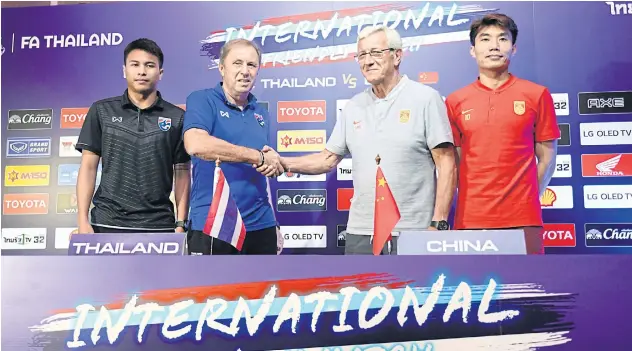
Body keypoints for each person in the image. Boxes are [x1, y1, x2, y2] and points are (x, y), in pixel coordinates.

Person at [257, 25, 457, 255]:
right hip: (360, 233)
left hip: (413, 232)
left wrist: (439, 223)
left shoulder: (426, 99)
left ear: (397, 55)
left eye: (376, 53)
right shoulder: (353, 107)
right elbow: (327, 159)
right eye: (362, 55)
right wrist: (281, 161)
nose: (368, 61)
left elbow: (446, 163)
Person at [445, 13, 559, 254]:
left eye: (502, 39)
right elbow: (453, 164)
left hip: (523, 220)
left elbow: (548, 158)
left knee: (528, 289)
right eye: (485, 39)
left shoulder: (537, 94)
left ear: (513, 48)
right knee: (475, 290)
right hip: (470, 220)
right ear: (472, 50)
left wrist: (527, 199)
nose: (494, 46)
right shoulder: (455, 101)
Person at [75, 38, 191, 234]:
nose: (142, 71)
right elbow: (88, 167)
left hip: (159, 225)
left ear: (160, 73)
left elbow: (182, 173)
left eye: (149, 65)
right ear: (124, 70)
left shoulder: (177, 117)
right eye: (135, 65)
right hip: (106, 222)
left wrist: (180, 224)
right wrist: (82, 221)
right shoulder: (101, 110)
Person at [183, 38, 282, 255]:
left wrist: (274, 222)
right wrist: (254, 156)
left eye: (251, 65)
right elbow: (196, 144)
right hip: (214, 223)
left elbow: (263, 171)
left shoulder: (260, 112)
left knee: (264, 289)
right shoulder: (202, 100)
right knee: (212, 290)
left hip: (261, 224)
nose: (245, 71)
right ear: (221, 68)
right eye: (237, 63)